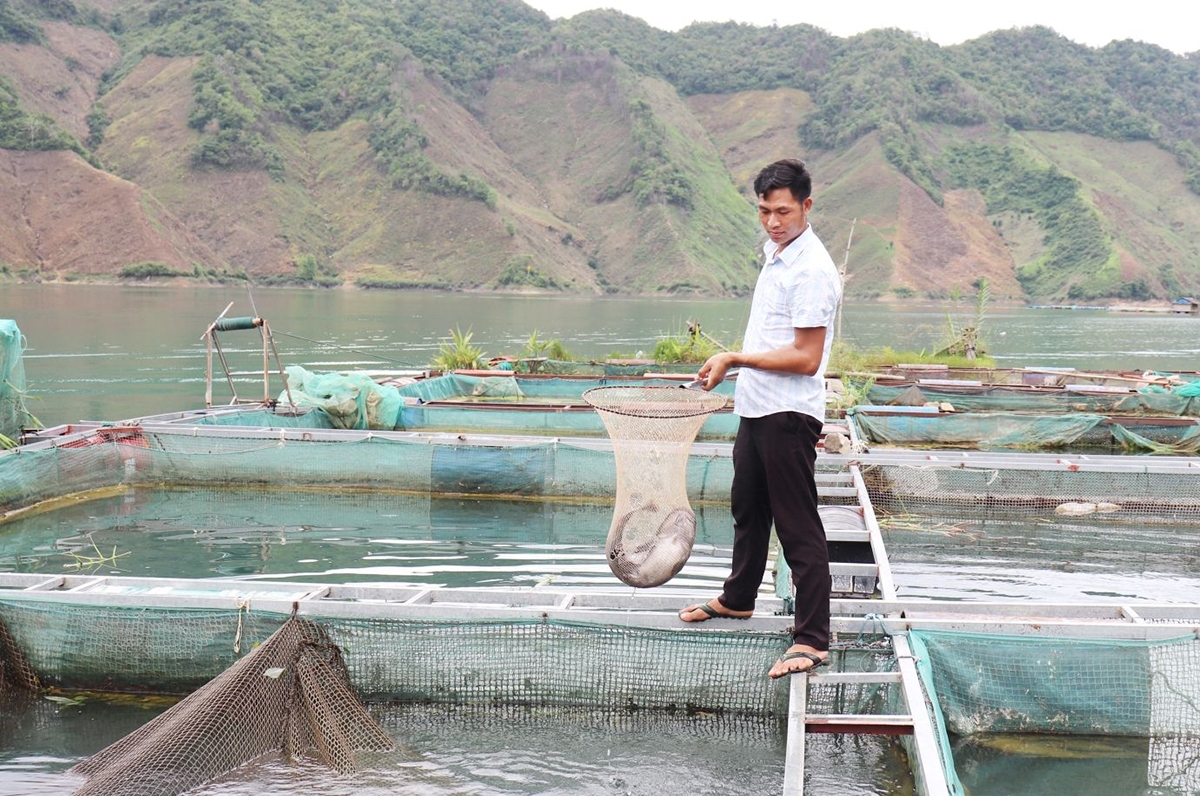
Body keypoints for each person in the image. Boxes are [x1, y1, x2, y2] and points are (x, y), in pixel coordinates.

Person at [678, 158, 842, 679]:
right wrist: (733, 366)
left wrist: (735, 358)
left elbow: (807, 357)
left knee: (798, 526)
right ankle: (738, 597)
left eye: (783, 211)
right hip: (757, 405)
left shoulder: (812, 269)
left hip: (789, 413)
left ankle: (813, 637)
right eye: (765, 211)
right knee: (748, 509)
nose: (773, 221)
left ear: (807, 207)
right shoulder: (777, 254)